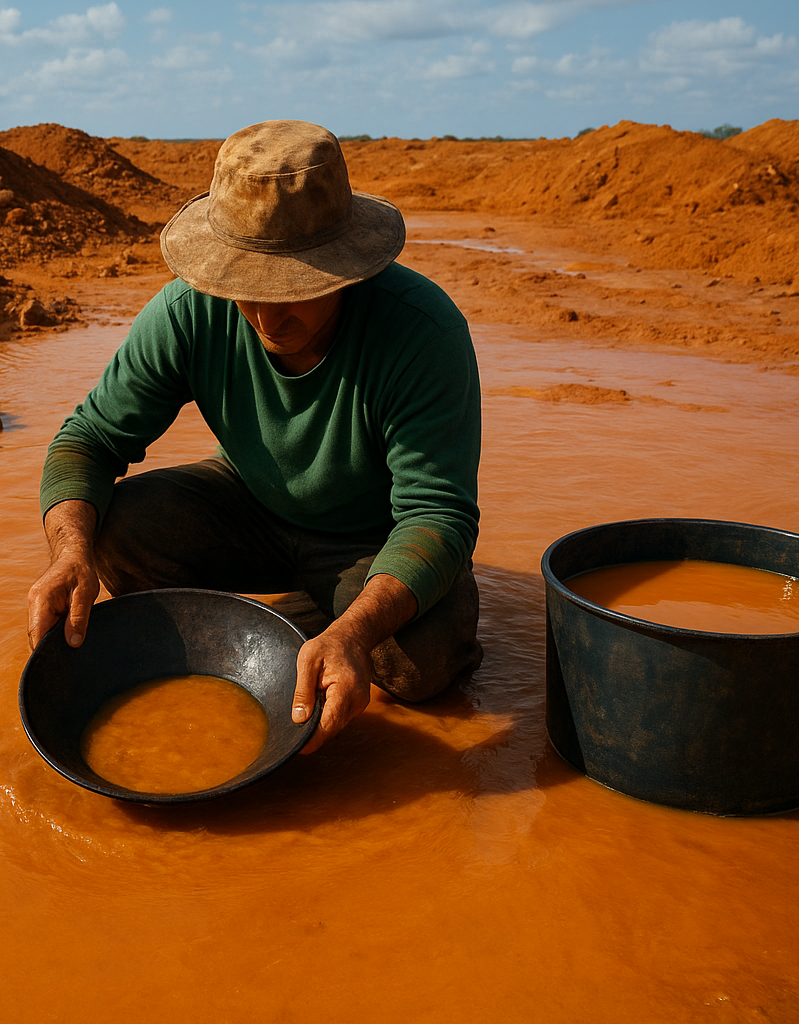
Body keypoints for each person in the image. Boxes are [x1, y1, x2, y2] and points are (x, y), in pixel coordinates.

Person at [26, 119, 482, 755]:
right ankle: (296, 621)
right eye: (245, 289)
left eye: (294, 289)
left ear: (346, 268)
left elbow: (438, 513)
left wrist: (355, 631)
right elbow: (87, 441)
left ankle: (322, 620)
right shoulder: (189, 311)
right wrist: (68, 555)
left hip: (371, 534)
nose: (268, 317)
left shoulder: (421, 334)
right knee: (117, 532)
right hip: (252, 501)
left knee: (417, 666)